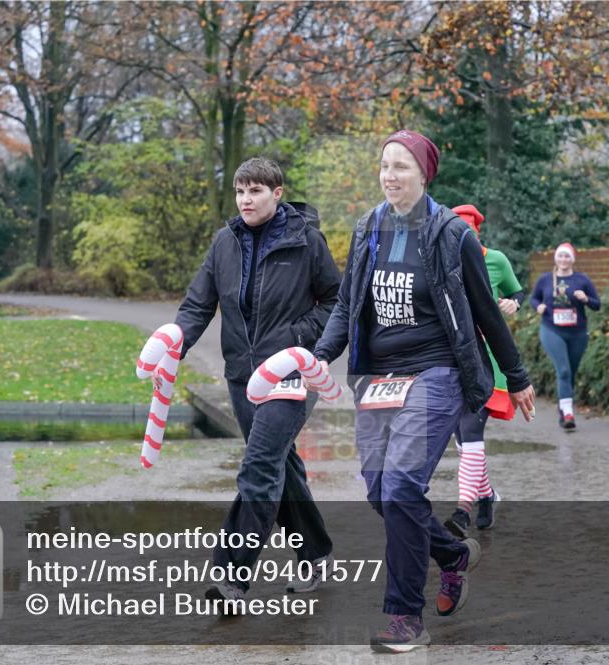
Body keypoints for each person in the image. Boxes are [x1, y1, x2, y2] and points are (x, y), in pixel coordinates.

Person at [312, 130, 535, 653]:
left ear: (424, 174)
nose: (391, 176)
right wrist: (320, 355)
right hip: (378, 376)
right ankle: (453, 555)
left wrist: (518, 376)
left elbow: (485, 310)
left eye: (402, 167)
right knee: (379, 492)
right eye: (385, 166)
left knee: (401, 488)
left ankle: (403, 618)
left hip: (436, 371)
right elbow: (347, 305)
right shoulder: (367, 226)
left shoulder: (451, 234)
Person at [174, 157, 342, 605]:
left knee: (259, 467)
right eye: (240, 191)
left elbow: (335, 302)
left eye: (256, 191)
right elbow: (196, 306)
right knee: (280, 466)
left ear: (277, 193)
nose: (246, 200)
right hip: (241, 377)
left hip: (292, 373)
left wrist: (295, 339)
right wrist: (173, 346)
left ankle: (231, 576)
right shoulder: (224, 243)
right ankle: (316, 551)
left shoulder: (306, 240)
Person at [444, 204, 524, 539]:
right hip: (449, 362)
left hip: (488, 362)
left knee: (471, 429)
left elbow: (517, 291)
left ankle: (463, 509)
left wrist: (513, 303)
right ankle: (487, 495)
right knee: (464, 441)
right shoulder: (438, 260)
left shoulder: (497, 260)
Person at [529, 242, 601, 429]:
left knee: (570, 373)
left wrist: (586, 299)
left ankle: (563, 407)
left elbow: (597, 304)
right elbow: (533, 298)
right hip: (552, 329)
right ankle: (568, 414)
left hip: (577, 332)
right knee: (564, 371)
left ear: (572, 259)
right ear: (556, 258)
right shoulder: (545, 279)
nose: (563, 259)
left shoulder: (582, 280)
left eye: (567, 256)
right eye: (560, 256)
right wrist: (539, 307)